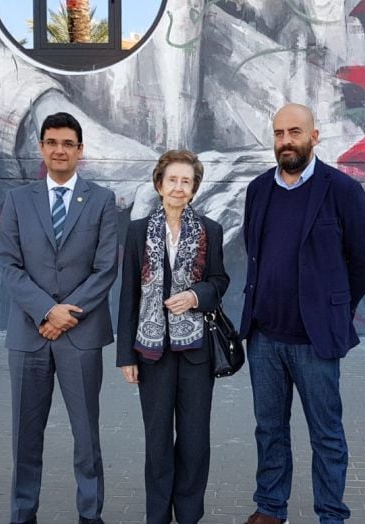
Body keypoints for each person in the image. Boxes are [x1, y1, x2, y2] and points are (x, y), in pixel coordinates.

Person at [239, 104, 365, 524]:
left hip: (315, 342)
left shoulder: (342, 190)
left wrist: (335, 307)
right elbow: (254, 249)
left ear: (314, 136)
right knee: (269, 430)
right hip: (264, 337)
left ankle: (331, 514)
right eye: (279, 133)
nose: (286, 141)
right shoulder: (259, 189)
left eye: (294, 132)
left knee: (327, 435)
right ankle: (270, 507)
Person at [0, 112, 118, 524]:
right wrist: (47, 311)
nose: (60, 150)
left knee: (86, 436)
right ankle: (23, 513)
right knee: (25, 437)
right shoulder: (17, 200)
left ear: (80, 150)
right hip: (29, 335)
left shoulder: (102, 200)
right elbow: (10, 265)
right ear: (42, 148)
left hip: (79, 337)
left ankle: (90, 514)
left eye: (68, 143)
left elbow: (105, 269)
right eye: (52, 142)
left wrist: (66, 315)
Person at [116, 150, 230, 524]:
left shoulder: (210, 230)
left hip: (196, 353)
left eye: (186, 181)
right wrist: (125, 356)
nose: (179, 187)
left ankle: (190, 515)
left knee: (195, 443)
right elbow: (128, 294)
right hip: (152, 355)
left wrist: (196, 295)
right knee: (158, 442)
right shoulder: (136, 232)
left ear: (194, 189)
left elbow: (219, 281)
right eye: (172, 180)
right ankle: (158, 516)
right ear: (159, 184)